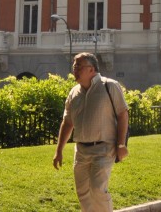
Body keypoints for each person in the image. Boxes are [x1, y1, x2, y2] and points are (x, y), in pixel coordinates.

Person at [53, 52, 129, 212]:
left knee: (97, 189)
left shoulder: (110, 86)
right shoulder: (73, 93)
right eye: (74, 66)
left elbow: (123, 114)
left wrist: (121, 144)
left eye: (79, 66)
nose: (75, 69)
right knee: (83, 193)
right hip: (80, 150)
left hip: (104, 148)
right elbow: (67, 123)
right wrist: (59, 150)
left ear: (91, 69)